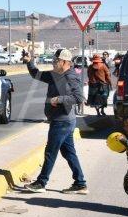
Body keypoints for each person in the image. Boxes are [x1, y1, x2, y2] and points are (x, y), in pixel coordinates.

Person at [22, 48, 88, 194]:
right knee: (69, 153)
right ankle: (80, 183)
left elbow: (79, 98)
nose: (53, 63)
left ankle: (41, 182)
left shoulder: (70, 77)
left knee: (50, 152)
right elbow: (36, 74)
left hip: (62, 121)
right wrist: (29, 62)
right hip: (62, 120)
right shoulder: (55, 74)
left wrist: (59, 99)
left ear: (64, 62)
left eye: (55, 61)